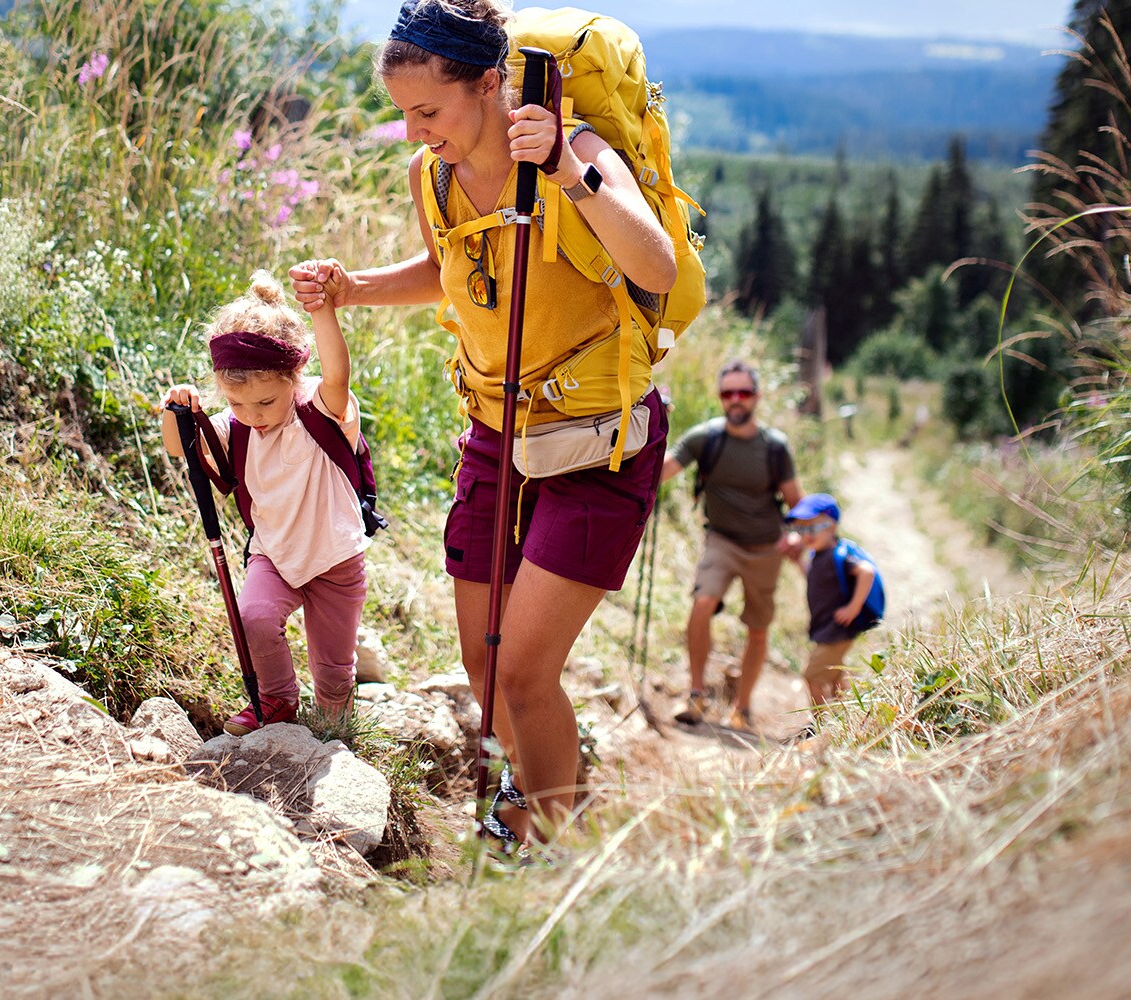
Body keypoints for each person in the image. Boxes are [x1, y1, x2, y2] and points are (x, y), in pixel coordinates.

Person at [288, 0, 678, 845]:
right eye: (402, 114)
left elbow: (655, 263)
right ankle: (537, 805)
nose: (413, 133)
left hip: (597, 442)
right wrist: (354, 289)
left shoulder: (573, 151)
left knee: (529, 672)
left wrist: (572, 177)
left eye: (427, 111)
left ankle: (552, 849)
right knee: (486, 666)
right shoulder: (434, 175)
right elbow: (444, 267)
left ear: (492, 84)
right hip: (497, 435)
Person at [160, 273, 365, 734]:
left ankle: (335, 720)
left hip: (335, 557)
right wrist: (174, 410)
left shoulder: (319, 408)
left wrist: (322, 311)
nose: (253, 415)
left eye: (266, 402)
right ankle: (277, 700)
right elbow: (180, 447)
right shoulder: (238, 426)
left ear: (294, 378)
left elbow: (337, 372)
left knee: (333, 667)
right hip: (274, 552)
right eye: (236, 402)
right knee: (253, 617)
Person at [660, 359, 801, 731]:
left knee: (757, 628)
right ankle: (696, 694)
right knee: (702, 602)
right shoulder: (705, 438)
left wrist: (799, 534)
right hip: (721, 540)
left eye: (743, 392)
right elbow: (664, 469)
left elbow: (796, 503)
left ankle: (742, 708)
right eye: (728, 393)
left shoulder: (774, 447)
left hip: (766, 548)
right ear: (721, 398)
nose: (736, 400)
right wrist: (653, 426)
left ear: (757, 396)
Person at [784, 493, 883, 708]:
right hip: (827, 628)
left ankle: (821, 723)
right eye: (801, 530)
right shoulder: (818, 556)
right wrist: (797, 562)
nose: (806, 536)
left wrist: (853, 608)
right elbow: (813, 578)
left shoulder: (837, 555)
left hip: (838, 629)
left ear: (831, 526)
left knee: (812, 676)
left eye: (812, 528)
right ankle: (847, 714)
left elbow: (867, 572)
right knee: (836, 675)